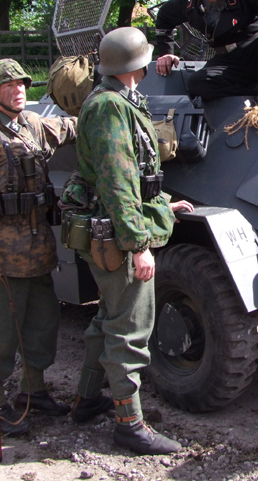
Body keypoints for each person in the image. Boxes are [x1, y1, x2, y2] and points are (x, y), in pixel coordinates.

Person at [67, 27, 193, 455]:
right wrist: (138, 244)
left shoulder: (119, 101)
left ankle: (87, 400)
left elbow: (135, 174)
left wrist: (162, 205)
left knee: (108, 318)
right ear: (138, 64)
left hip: (118, 226)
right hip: (117, 237)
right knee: (130, 329)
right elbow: (117, 181)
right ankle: (129, 425)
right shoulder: (107, 108)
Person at [0, 58, 77, 437]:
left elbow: (70, 127)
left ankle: (33, 391)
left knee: (41, 328)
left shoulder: (33, 126)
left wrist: (99, 102)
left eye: (22, 83)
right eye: (9, 86)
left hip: (39, 253)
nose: (19, 89)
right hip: (0, 261)